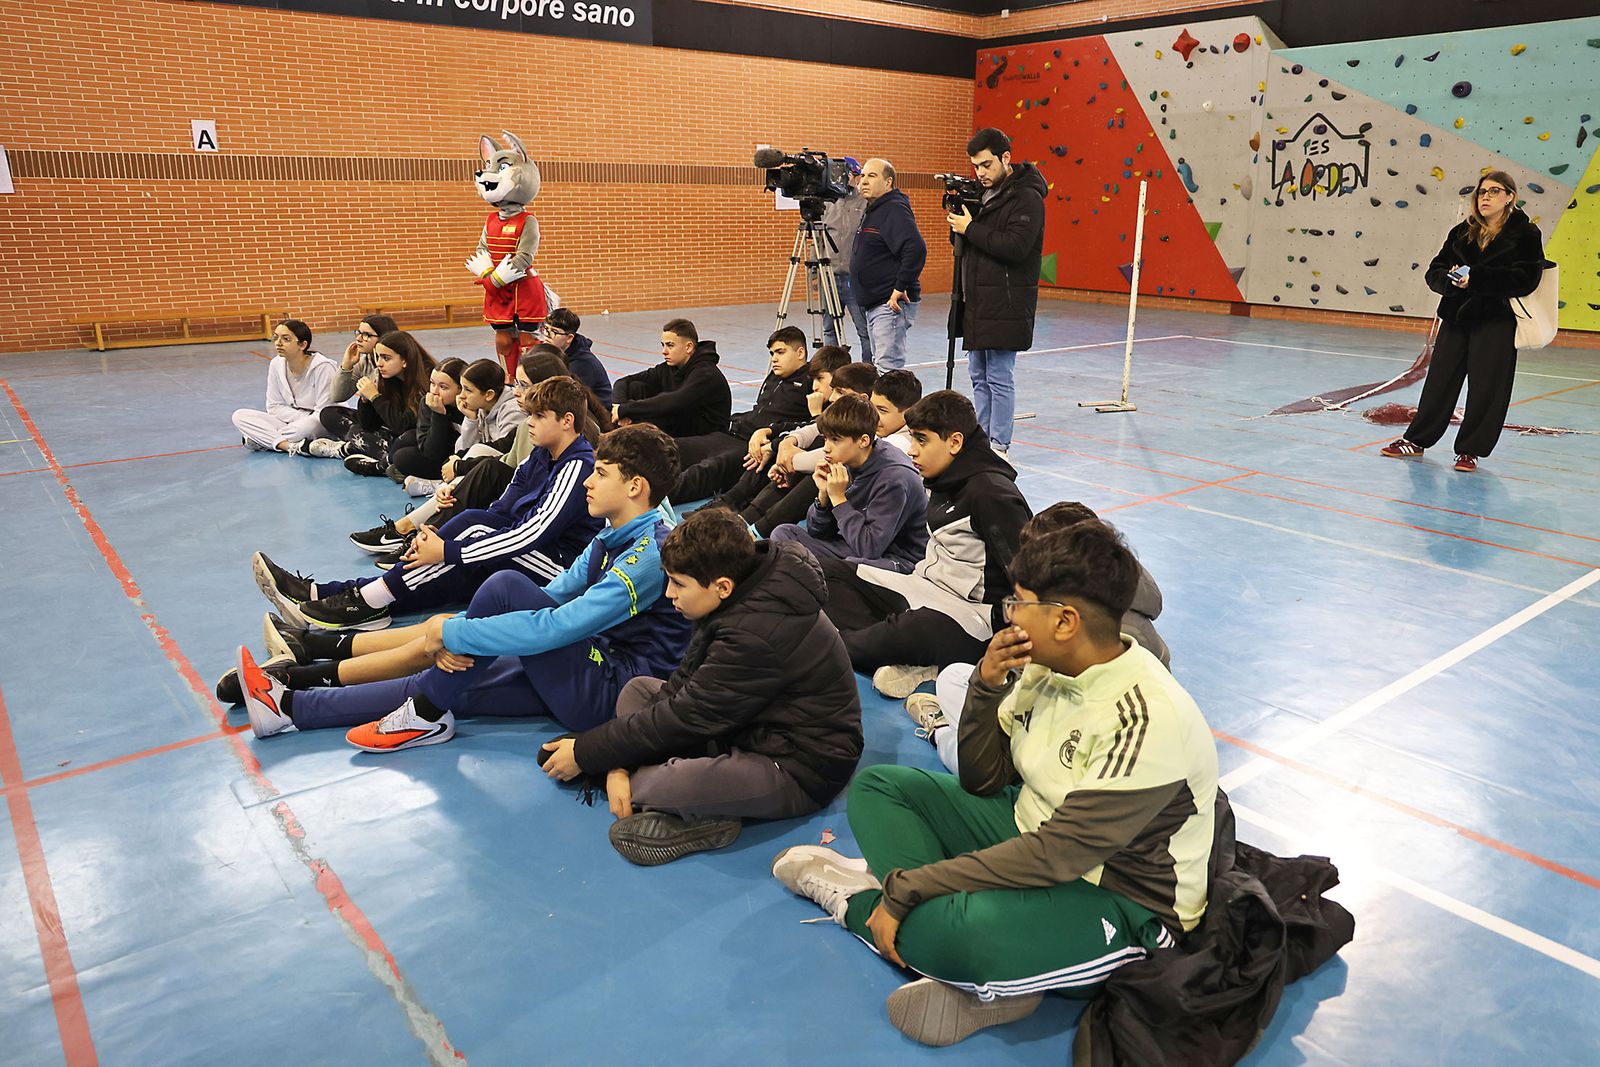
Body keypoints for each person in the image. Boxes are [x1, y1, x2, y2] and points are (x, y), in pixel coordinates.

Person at [772, 521, 1218, 1048]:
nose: (1009, 613)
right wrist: (985, 685)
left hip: (1120, 898)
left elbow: (1057, 856)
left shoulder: (1144, 717)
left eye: (1020, 602)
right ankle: (976, 960)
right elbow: (985, 781)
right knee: (880, 790)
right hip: (1024, 828)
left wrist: (905, 890)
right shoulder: (1045, 665)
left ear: (1065, 620)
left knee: (965, 934)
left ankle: (863, 905)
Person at [236, 424, 692, 753]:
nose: (589, 481)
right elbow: (554, 596)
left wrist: (455, 636)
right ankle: (289, 708)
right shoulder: (611, 533)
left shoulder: (651, 554)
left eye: (602, 474)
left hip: (614, 692)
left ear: (635, 486)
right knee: (449, 684)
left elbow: (558, 626)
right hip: (588, 663)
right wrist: (466, 636)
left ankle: (417, 707)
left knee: (505, 585)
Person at [537, 507, 862, 866]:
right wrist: (613, 761)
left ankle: (699, 811)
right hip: (746, 727)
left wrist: (590, 755)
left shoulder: (756, 634)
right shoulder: (742, 593)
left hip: (797, 766)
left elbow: (684, 717)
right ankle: (675, 793)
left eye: (678, 583)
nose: (668, 593)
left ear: (722, 586)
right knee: (638, 690)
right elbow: (682, 686)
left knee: (662, 785)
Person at [248, 376, 603, 633]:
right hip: (525, 552)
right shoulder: (541, 455)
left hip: (561, 569)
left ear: (566, 421)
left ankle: (365, 601)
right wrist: (444, 544)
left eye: (538, 417)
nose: (530, 423)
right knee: (453, 561)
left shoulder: (577, 465)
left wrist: (449, 549)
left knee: (469, 533)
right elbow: (503, 510)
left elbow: (533, 534)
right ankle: (331, 594)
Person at [904, 502, 1172, 771]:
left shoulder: (1112, 640)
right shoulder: (1092, 608)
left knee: (973, 754)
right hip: (1050, 725)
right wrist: (992, 680)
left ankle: (940, 732)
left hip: (1065, 746)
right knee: (956, 679)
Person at [817, 390, 1031, 686]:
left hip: (972, 618)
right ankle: (899, 656)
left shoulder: (992, 495)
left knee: (915, 628)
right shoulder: (943, 477)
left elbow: (1029, 579)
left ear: (955, 442)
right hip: (923, 587)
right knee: (829, 573)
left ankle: (826, 650)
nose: (912, 450)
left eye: (922, 440)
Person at [1380, 170, 1547, 473]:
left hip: (1496, 320)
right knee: (1439, 381)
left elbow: (1527, 278)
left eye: (1494, 191)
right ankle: (1417, 441)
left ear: (1510, 196)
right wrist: (1450, 280)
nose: (1485, 197)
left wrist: (1477, 278)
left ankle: (1470, 450)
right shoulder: (1462, 231)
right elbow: (1434, 271)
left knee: (1487, 387)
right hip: (1456, 318)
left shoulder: (1526, 234)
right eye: (1482, 192)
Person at [947, 128, 1047, 455]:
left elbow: (1016, 247)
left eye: (987, 165)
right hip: (977, 298)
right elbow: (971, 244)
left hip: (1007, 301)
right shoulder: (985, 194)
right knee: (978, 374)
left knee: (999, 377)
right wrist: (960, 222)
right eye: (976, 166)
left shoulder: (1027, 197)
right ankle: (982, 438)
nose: (980, 173)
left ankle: (999, 446)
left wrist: (970, 228)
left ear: (1006, 158)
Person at [771, 393, 928, 573]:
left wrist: (838, 499)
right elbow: (818, 532)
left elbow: (869, 549)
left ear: (863, 441)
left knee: (847, 567)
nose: (827, 448)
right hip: (853, 544)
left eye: (835, 440)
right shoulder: (846, 460)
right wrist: (823, 498)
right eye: (826, 439)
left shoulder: (895, 478)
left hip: (896, 558)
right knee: (784, 534)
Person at [719, 359, 877, 536]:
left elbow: (824, 453)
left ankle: (755, 530)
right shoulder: (850, 414)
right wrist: (785, 444)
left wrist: (787, 459)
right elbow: (810, 429)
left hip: (850, 498)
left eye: (839, 392)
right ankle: (742, 515)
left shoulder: (875, 428)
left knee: (824, 468)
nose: (832, 397)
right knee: (779, 449)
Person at [670, 326, 813, 501]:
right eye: (772, 353)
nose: (774, 359)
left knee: (705, 470)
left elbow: (812, 426)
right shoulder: (774, 376)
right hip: (733, 433)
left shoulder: (811, 383)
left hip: (752, 448)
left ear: (800, 353)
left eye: (780, 352)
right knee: (672, 447)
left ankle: (647, 500)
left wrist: (772, 439)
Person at [306, 330, 435, 465]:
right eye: (378, 357)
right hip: (388, 431)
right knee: (329, 413)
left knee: (404, 443)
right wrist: (365, 401)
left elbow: (401, 425)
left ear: (405, 360)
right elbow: (369, 424)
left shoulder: (425, 381)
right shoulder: (388, 377)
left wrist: (375, 397)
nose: (379, 363)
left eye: (386, 358)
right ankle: (363, 446)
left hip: (410, 436)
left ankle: (349, 449)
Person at [853, 159, 926, 371]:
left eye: (872, 176)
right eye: (863, 176)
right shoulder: (874, 209)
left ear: (888, 182)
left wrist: (899, 287)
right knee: (881, 368)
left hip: (889, 304)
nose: (864, 181)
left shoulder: (893, 209)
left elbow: (916, 248)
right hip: (875, 304)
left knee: (888, 371)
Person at [610, 318, 731, 439]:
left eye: (670, 345)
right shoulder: (668, 368)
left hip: (708, 436)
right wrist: (620, 408)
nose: (664, 351)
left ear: (688, 347)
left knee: (654, 415)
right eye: (663, 345)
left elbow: (676, 401)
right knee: (635, 387)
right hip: (681, 426)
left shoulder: (705, 373)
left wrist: (626, 409)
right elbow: (623, 381)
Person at [232, 319, 337, 452]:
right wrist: (297, 419)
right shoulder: (276, 364)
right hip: (290, 421)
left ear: (302, 345)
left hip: (319, 422)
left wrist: (298, 423)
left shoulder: (323, 367)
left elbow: (324, 412)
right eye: (276, 337)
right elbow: (274, 406)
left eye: (286, 339)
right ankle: (290, 446)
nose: (278, 343)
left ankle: (265, 440)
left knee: (299, 430)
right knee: (240, 416)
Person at [818, 156, 873, 359]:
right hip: (829, 276)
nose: (856, 180)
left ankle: (868, 370)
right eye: (853, 175)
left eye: (857, 176)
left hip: (854, 278)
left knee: (864, 330)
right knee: (829, 329)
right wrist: (815, 274)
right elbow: (818, 237)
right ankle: (831, 372)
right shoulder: (826, 203)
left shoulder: (865, 202)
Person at [539, 306, 613, 408]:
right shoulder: (553, 352)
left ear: (569, 338)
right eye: (546, 329)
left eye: (554, 332)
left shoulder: (583, 364)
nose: (547, 335)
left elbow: (570, 401)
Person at [327, 314, 399, 405]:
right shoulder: (364, 361)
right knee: (329, 413)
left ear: (383, 337)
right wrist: (346, 366)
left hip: (393, 414)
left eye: (366, 335)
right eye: (359, 333)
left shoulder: (396, 363)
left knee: (363, 402)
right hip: (374, 414)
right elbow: (337, 397)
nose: (358, 339)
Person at [868, 369, 923, 455]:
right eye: (871, 407)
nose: (872, 416)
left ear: (908, 414)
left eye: (882, 410)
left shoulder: (895, 446)